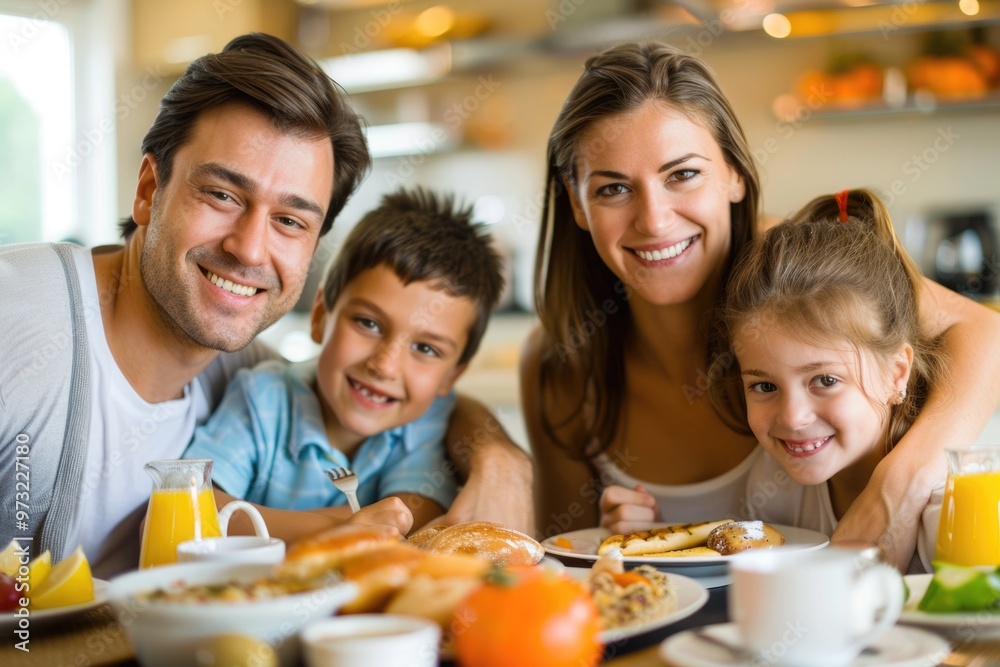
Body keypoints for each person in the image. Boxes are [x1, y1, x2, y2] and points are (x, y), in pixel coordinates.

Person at [0, 33, 530, 578]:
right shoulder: (15, 317)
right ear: (147, 189)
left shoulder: (241, 363)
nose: (249, 248)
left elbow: (431, 398)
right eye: (223, 195)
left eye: (290, 221)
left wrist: (502, 458)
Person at [522, 41, 1000, 569]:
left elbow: (986, 333)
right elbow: (567, 564)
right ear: (576, 203)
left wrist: (897, 489)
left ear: (735, 173)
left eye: (682, 174)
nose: (654, 221)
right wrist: (611, 538)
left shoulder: (793, 278)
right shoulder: (560, 361)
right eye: (613, 189)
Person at [184, 187, 505, 541]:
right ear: (321, 315)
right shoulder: (262, 399)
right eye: (369, 324)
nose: (384, 366)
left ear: (452, 376)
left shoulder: (423, 421)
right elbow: (192, 508)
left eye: (426, 349)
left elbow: (420, 506)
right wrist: (339, 527)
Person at [708, 189, 945, 572]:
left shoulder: (947, 507)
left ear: (896, 373)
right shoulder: (772, 489)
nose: (793, 417)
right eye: (764, 386)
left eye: (825, 380)